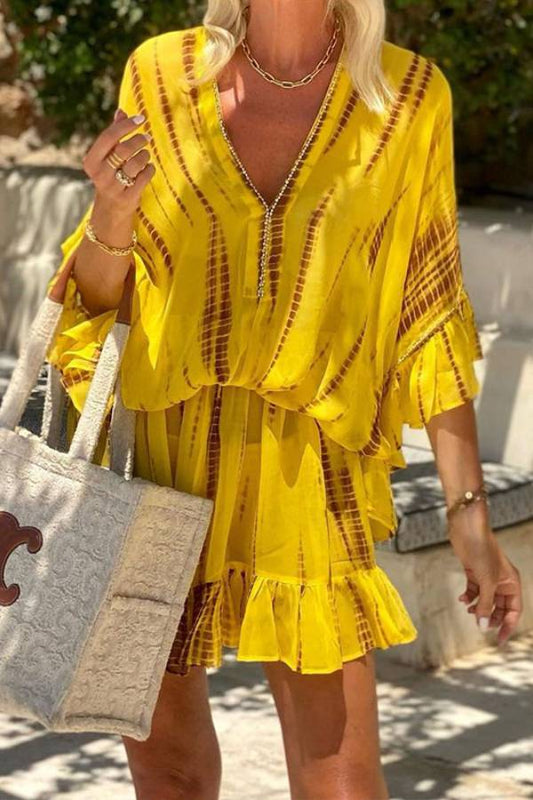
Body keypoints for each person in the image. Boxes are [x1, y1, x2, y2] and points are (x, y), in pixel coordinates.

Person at [45, 1, 523, 798]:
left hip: (312, 477)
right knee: (169, 774)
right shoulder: (159, 74)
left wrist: (467, 515)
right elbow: (98, 301)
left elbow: (429, 313)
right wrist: (112, 213)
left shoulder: (406, 97)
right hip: (159, 465)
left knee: (341, 781)